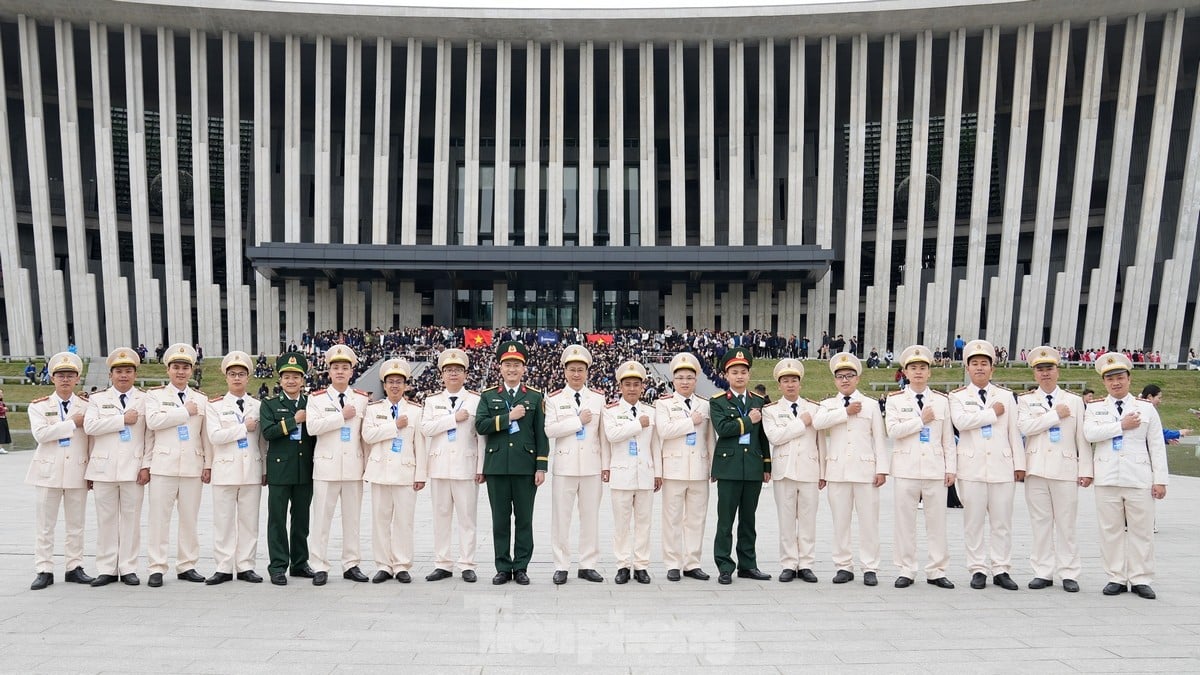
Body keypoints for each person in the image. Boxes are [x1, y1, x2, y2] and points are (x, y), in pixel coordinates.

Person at [1083, 352, 1168, 599]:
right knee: (1111, 530)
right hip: (1107, 476)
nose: (1116, 383)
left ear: (1129, 379)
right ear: (1104, 383)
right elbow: (1090, 434)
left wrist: (1160, 479)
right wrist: (1120, 425)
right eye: (1110, 379)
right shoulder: (1096, 407)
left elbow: (1156, 445)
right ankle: (1116, 577)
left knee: (1142, 531)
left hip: (1138, 476)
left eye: (1120, 377)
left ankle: (1141, 578)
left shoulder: (1146, 408)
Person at [949, 339, 1025, 591]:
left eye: (984, 364)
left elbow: (1015, 432)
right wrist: (992, 413)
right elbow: (961, 423)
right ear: (967, 369)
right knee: (973, 521)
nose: (980, 368)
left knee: (1002, 521)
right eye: (975, 364)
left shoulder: (1005, 396)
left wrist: (1019, 464)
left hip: (1002, 466)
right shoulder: (957, 396)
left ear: (992, 369)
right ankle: (978, 568)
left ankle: (1002, 568)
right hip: (971, 467)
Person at [1016, 346, 1092, 593]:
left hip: (1066, 468)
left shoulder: (1074, 401)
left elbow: (1083, 438)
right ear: (1034, 374)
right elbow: (1025, 427)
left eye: (1049, 369)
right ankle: (1043, 571)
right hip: (1036, 468)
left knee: (1067, 523)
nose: (1045, 374)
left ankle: (1069, 572)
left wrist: (1086, 469)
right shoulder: (1026, 400)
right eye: (1040, 370)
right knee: (1040, 523)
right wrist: (1054, 415)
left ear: (1057, 371)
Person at [474, 341, 549, 586]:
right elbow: (481, 426)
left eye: (517, 365)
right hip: (496, 466)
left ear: (524, 369)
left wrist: (541, 466)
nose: (512, 369)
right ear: (500, 367)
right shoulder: (488, 396)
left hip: (525, 466)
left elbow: (541, 433)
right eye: (508, 365)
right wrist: (508, 417)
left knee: (525, 519)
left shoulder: (535, 397)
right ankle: (503, 567)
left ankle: (522, 566)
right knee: (500, 519)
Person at [812, 352, 889, 587]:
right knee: (840, 521)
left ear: (857, 378)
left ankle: (870, 567)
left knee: (868, 521)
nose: (845, 380)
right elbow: (817, 424)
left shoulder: (871, 405)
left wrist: (882, 469)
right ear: (835, 380)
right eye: (840, 376)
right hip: (837, 470)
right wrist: (845, 412)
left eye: (849, 376)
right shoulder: (828, 405)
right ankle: (843, 565)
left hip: (866, 471)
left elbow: (879, 438)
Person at [886, 345, 956, 589]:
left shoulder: (941, 400)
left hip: (935, 468)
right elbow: (892, 431)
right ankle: (906, 568)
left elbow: (948, 438)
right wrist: (919, 421)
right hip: (906, 467)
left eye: (922, 368)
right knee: (905, 522)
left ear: (930, 373)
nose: (918, 372)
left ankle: (937, 570)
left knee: (937, 522)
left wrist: (951, 468)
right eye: (913, 368)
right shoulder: (895, 401)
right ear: (905, 372)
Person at [25, 352, 94, 590]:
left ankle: (74, 566)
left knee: (76, 524)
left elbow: (92, 440)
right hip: (48, 472)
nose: (65, 380)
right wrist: (70, 424)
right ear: (52, 378)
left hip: (77, 470)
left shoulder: (87, 405)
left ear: (77, 379)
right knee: (45, 524)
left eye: (70, 375)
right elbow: (41, 435)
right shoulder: (40, 406)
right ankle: (44, 569)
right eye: (60, 375)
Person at [143, 343, 209, 588]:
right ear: (168, 370)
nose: (180, 372)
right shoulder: (155, 396)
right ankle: (156, 567)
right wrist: (183, 412)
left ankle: (187, 564)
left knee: (189, 518)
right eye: (176, 367)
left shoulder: (200, 399)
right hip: (163, 465)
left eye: (185, 368)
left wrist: (208, 464)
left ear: (191, 371)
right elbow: (152, 423)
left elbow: (205, 436)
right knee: (159, 518)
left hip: (192, 464)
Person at [305, 344, 371, 585]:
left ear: (352, 371)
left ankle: (351, 564)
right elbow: (312, 428)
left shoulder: (362, 400)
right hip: (326, 468)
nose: (340, 372)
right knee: (322, 519)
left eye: (345, 367)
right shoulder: (316, 399)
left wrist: (367, 466)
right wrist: (340, 416)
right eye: (336, 368)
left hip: (354, 467)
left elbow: (365, 436)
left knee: (352, 520)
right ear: (329, 371)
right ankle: (319, 565)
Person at [84, 348, 150, 587]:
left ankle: (129, 567)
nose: (124, 375)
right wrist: (121, 419)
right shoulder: (97, 399)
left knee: (131, 520)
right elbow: (90, 427)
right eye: (119, 371)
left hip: (134, 468)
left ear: (135, 374)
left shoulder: (144, 399)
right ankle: (106, 568)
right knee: (106, 520)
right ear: (110, 374)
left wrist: (146, 465)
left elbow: (149, 436)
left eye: (128, 371)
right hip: (103, 469)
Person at [543, 344, 607, 584]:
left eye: (581, 369)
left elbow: (603, 435)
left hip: (592, 465)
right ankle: (561, 565)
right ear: (564, 371)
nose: (576, 374)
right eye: (572, 369)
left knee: (590, 517)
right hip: (565, 465)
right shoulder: (555, 399)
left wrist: (606, 466)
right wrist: (577, 421)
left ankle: (587, 564)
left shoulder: (598, 399)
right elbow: (550, 429)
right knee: (561, 518)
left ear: (587, 371)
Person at [202, 351, 266, 585]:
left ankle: (246, 565)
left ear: (248, 377)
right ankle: (223, 567)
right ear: (226, 378)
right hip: (225, 470)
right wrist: (243, 428)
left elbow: (262, 440)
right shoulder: (215, 405)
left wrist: (265, 468)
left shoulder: (258, 406)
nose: (237, 378)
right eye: (232, 374)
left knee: (249, 521)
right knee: (224, 521)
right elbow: (215, 436)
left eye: (241, 374)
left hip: (251, 469)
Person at [708, 349, 772, 584]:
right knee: (725, 520)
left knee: (748, 520)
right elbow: (723, 429)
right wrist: (748, 420)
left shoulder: (758, 400)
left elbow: (763, 436)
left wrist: (767, 464)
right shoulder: (717, 402)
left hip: (753, 466)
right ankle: (725, 566)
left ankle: (748, 564)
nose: (739, 376)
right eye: (734, 372)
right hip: (728, 467)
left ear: (749, 374)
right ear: (726, 375)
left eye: (743, 372)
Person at [419, 348, 482, 583]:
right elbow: (426, 428)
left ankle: (467, 563)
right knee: (441, 517)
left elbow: (482, 437)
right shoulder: (432, 400)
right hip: (440, 466)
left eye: (457, 370)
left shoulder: (476, 400)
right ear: (441, 375)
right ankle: (442, 563)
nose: (452, 374)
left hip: (466, 467)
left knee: (467, 518)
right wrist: (452, 419)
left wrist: (481, 468)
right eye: (448, 370)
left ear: (465, 374)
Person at [362, 359, 426, 583]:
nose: (395, 386)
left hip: (405, 472)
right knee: (380, 520)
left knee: (404, 521)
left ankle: (401, 564)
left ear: (406, 385)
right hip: (380, 471)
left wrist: (421, 476)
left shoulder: (416, 411)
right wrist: (393, 427)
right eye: (391, 382)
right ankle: (383, 565)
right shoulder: (374, 409)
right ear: (384, 384)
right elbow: (368, 436)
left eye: (399, 382)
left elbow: (420, 445)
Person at [653, 352, 714, 582]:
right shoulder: (664, 404)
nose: (685, 381)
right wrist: (690, 422)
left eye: (690, 377)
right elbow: (664, 431)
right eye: (680, 378)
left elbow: (710, 439)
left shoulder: (705, 405)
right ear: (673, 381)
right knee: (672, 518)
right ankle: (672, 563)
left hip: (698, 469)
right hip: (674, 469)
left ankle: (692, 562)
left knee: (696, 518)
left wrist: (712, 466)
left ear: (696, 379)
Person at [762, 358, 823, 584]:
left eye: (794, 380)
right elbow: (775, 437)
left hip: (809, 469)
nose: (790, 385)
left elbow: (820, 443)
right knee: (786, 520)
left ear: (800, 383)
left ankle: (806, 563)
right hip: (784, 470)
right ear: (779, 385)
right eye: (785, 381)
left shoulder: (814, 408)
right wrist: (801, 423)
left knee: (808, 520)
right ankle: (788, 563)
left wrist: (823, 472)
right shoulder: (771, 410)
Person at [258, 352, 317, 586]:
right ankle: (278, 566)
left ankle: (300, 563)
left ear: (303, 380)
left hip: (305, 469)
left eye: (296, 377)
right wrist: (294, 421)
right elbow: (268, 432)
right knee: (277, 520)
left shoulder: (312, 403)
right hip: (280, 471)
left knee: (301, 520)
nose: (291, 381)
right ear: (280, 380)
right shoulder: (270, 404)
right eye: (286, 377)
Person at [601, 360, 659, 584]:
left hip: (645, 473)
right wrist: (637, 425)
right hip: (622, 473)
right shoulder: (611, 411)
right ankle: (623, 565)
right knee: (622, 524)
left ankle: (642, 565)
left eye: (636, 384)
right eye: (628, 384)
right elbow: (611, 436)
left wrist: (658, 473)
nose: (632, 388)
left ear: (642, 387)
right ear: (620, 387)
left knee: (644, 523)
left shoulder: (650, 411)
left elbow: (656, 444)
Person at [0, 389, 10, 454]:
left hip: (3, 419)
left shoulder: (2, 402)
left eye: (1, 393)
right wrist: (4, 409)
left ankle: (0, 447)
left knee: (2, 433)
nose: (1, 394)